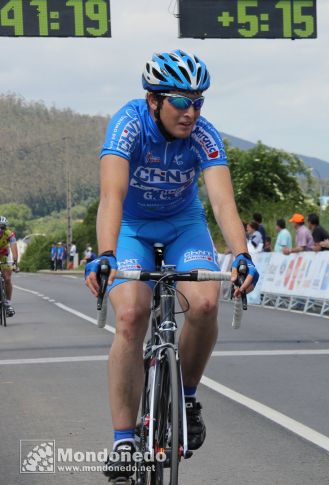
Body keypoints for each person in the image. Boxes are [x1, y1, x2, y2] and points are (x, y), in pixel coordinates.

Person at [82, 49, 258, 481]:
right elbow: (112, 197)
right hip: (132, 228)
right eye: (180, 101)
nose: (191, 111)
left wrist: (241, 254)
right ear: (153, 100)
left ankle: (189, 397)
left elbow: (221, 201)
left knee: (204, 304)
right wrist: (106, 253)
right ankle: (124, 440)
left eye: (199, 101)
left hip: (183, 225)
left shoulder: (204, 134)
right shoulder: (127, 125)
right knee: (130, 314)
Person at [0, 216, 19, 317]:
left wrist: (15, 262)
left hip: (5, 255)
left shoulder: (9, 234)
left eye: (2, 227)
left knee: (7, 279)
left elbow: (14, 248)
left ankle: (8, 303)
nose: (0, 230)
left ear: (5, 228)